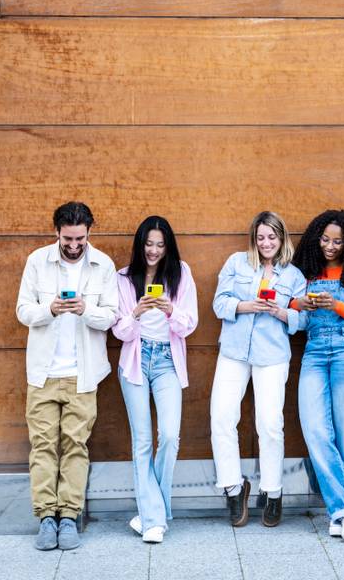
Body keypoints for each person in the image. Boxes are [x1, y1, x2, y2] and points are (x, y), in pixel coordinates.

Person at [16, 201, 118, 551]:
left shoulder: (102, 264)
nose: (74, 245)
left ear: (90, 232)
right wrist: (50, 309)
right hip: (42, 374)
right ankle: (46, 517)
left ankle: (69, 516)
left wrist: (85, 309)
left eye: (80, 238)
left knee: (75, 446)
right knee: (43, 446)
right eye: (68, 239)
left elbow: (111, 317)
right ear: (56, 232)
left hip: (83, 374)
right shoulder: (37, 261)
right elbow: (23, 311)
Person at [210, 211, 306, 528]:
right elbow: (219, 303)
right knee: (222, 417)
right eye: (261, 237)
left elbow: (303, 319)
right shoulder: (236, 263)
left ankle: (273, 492)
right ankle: (234, 489)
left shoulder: (293, 276)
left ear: (282, 239)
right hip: (234, 350)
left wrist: (280, 312)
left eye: (272, 237)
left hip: (273, 355)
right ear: (254, 238)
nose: (266, 243)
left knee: (269, 423)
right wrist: (245, 305)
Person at [289, 210, 344, 541]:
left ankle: (342, 512)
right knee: (314, 430)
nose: (329, 246)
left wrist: (334, 305)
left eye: (337, 241)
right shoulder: (307, 271)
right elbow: (289, 303)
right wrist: (301, 303)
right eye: (325, 239)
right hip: (314, 352)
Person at [112, 216, 198, 543]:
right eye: (149, 244)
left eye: (160, 245)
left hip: (167, 361)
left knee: (171, 436)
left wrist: (169, 310)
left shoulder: (182, 273)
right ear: (140, 244)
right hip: (135, 360)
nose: (154, 250)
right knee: (142, 441)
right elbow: (119, 330)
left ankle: (153, 511)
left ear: (168, 247)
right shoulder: (123, 278)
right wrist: (136, 311)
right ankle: (153, 520)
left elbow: (189, 324)